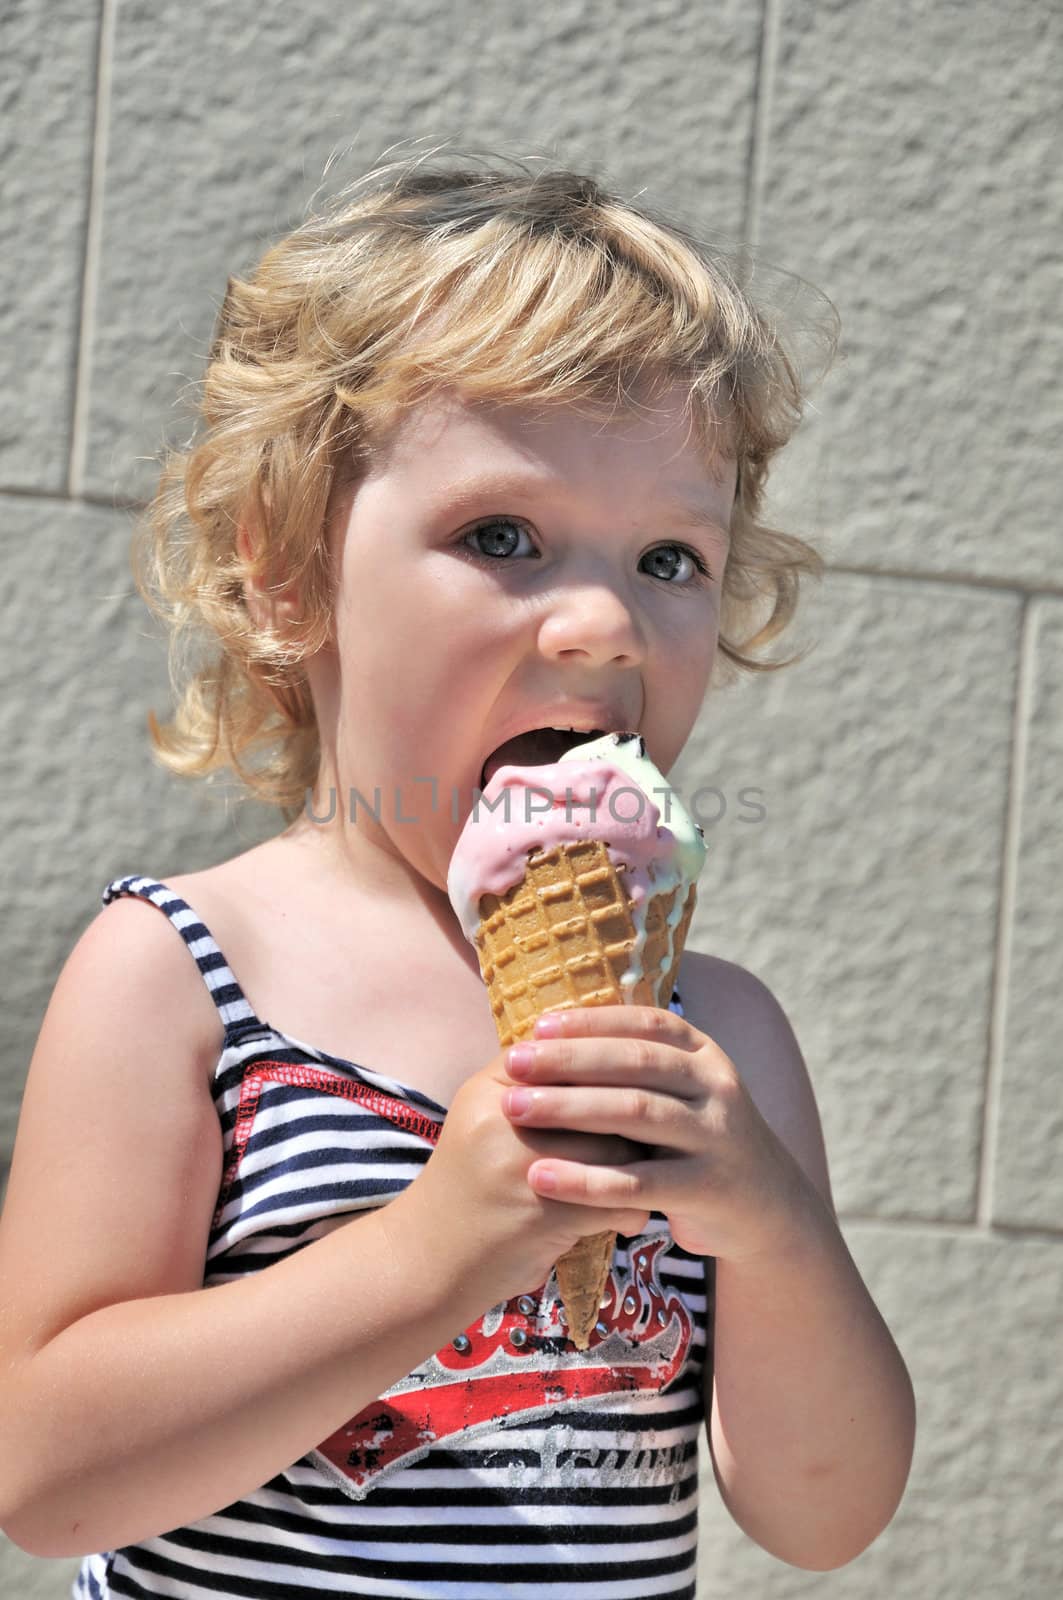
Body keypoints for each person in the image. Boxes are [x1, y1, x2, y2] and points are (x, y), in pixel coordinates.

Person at [0, 147, 915, 1599]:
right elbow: (47, 1472)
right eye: (504, 537)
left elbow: (823, 1516)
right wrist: (437, 1249)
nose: (604, 623)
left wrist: (774, 1230)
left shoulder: (718, 1039)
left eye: (671, 558)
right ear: (289, 572)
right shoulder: (183, 971)